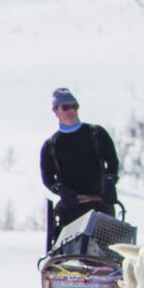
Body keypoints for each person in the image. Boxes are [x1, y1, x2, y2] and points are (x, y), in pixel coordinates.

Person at [40, 88, 120, 238]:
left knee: (106, 253)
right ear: (56, 111)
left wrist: (110, 183)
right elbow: (48, 178)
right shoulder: (51, 145)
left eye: (74, 106)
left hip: (101, 205)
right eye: (66, 107)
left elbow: (112, 161)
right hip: (71, 210)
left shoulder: (96, 134)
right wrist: (61, 190)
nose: (71, 111)